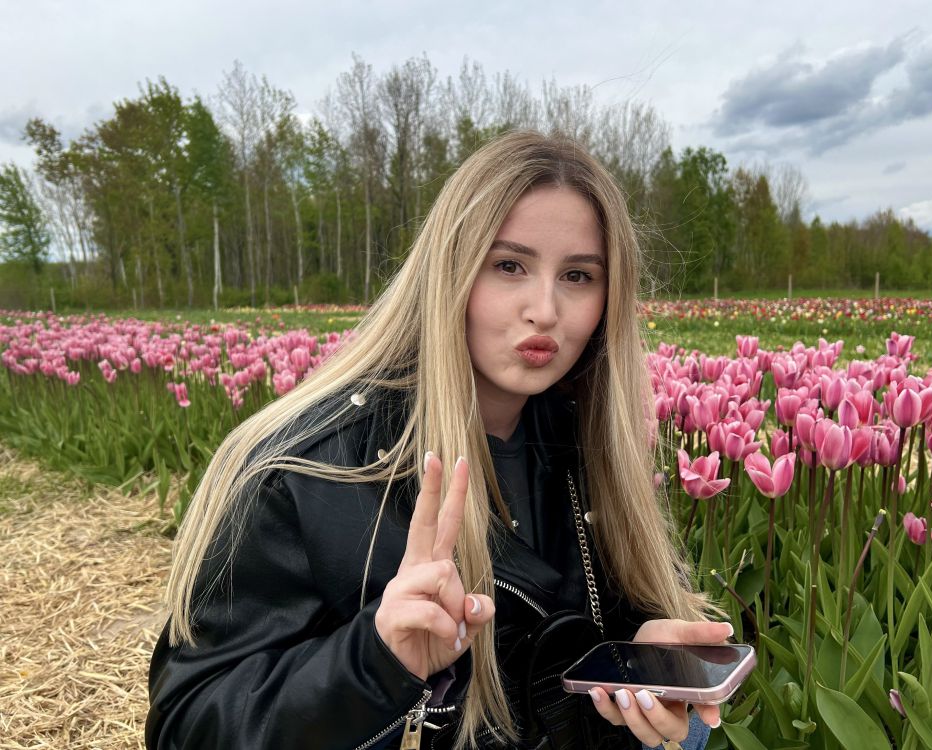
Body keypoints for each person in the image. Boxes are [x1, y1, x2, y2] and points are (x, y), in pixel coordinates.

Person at [146, 130, 729, 750]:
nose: (545, 310)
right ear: (448, 269)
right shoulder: (306, 470)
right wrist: (374, 663)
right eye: (509, 266)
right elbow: (187, 726)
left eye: (578, 275)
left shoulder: (588, 443)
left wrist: (643, 670)